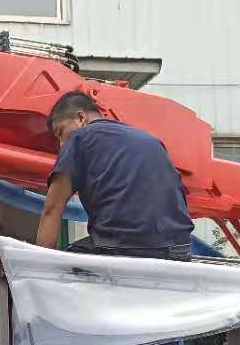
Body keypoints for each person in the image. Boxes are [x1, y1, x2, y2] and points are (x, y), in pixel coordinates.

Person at [36, 91, 194, 260]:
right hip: (179, 249)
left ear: (81, 118)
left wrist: (40, 266)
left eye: (60, 132)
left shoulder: (79, 139)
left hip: (123, 249)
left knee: (68, 262)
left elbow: (52, 209)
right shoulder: (150, 139)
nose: (61, 145)